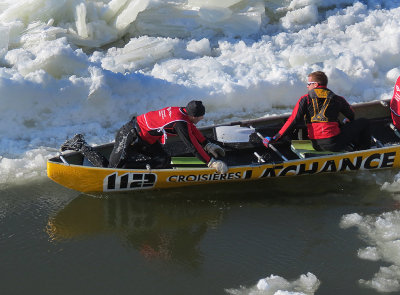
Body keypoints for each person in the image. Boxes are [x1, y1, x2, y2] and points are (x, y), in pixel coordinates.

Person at [61, 100, 228, 174]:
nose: (202, 120)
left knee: (163, 161)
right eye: (201, 118)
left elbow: (192, 131)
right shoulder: (180, 123)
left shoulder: (183, 113)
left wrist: (207, 144)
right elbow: (191, 144)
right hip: (129, 134)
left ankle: (138, 167)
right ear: (194, 116)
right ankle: (80, 144)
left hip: (146, 140)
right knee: (111, 170)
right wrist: (210, 162)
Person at [264, 71, 371, 152]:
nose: (307, 86)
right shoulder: (338, 99)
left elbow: (293, 120)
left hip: (316, 145)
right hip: (334, 144)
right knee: (365, 122)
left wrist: (275, 137)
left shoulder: (305, 99)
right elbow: (351, 115)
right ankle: (362, 150)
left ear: (315, 84)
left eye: (308, 83)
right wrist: (346, 121)